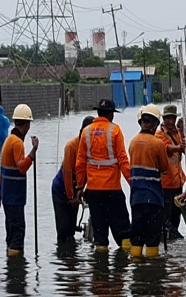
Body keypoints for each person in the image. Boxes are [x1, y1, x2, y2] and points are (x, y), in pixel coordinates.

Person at [75, 99, 132, 253]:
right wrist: (133, 183)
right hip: (112, 190)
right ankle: (126, 264)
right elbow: (123, 161)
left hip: (93, 191)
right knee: (124, 230)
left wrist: (80, 187)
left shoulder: (86, 132)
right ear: (111, 115)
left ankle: (101, 271)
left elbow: (80, 163)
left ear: (98, 113)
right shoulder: (115, 131)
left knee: (100, 235)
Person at [128, 104, 169, 258]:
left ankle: (137, 269)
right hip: (154, 198)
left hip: (136, 198)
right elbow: (164, 168)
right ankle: (152, 271)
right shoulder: (158, 144)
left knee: (137, 236)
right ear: (155, 124)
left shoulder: (132, 142)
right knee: (152, 237)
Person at [0, 104, 39, 256]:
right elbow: (22, 167)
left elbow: (2, 172)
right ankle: (16, 270)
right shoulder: (17, 143)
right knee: (18, 232)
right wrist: (33, 151)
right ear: (26, 124)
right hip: (14, 196)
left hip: (7, 196)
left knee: (11, 231)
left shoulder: (8, 140)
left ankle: (10, 266)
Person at [51, 116, 95, 244]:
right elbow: (68, 172)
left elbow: (89, 172)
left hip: (76, 189)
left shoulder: (92, 148)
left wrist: (83, 191)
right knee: (63, 228)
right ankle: (64, 253)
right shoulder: (71, 146)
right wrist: (71, 197)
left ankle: (72, 258)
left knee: (71, 228)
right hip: (61, 189)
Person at [156, 104, 186, 241]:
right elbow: (166, 148)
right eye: (167, 118)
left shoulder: (178, 133)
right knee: (166, 217)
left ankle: (173, 241)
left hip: (178, 181)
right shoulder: (159, 134)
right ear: (163, 119)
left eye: (172, 118)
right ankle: (166, 239)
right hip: (166, 183)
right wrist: (179, 147)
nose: (170, 121)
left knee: (176, 216)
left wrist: (184, 137)